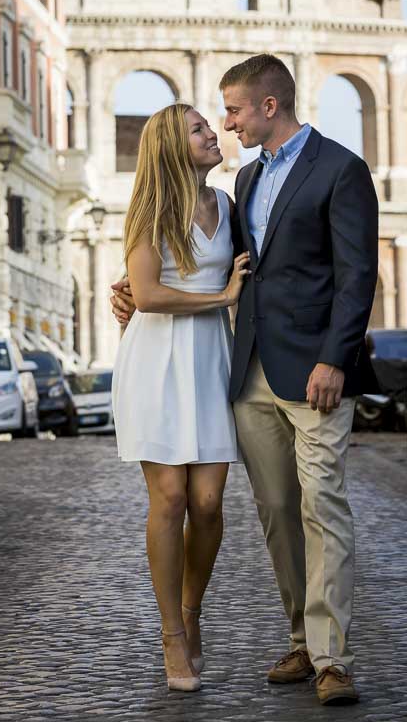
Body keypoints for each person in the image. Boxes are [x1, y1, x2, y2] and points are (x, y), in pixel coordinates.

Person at [112, 54, 379, 706]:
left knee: (319, 508)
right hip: (243, 371)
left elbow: (356, 275)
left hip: (309, 371)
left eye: (228, 113)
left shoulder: (338, 169)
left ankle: (331, 657)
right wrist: (126, 292)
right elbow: (172, 273)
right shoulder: (247, 182)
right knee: (277, 511)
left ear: (266, 106)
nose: (224, 126)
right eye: (210, 122)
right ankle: (297, 637)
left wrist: (334, 357)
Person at [111, 102, 250, 693]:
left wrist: (233, 301)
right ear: (172, 144)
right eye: (198, 129)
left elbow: (251, 277)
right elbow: (144, 295)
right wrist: (221, 298)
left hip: (212, 359)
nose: (212, 133)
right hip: (157, 361)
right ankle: (171, 635)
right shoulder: (149, 209)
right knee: (169, 497)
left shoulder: (230, 205)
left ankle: (193, 612)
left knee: (210, 502)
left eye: (209, 125)